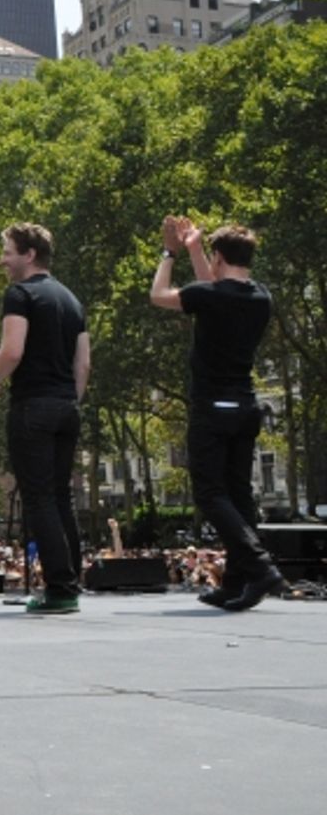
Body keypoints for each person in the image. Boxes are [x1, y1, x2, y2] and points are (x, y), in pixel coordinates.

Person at [150, 217, 281, 611]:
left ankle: (259, 567)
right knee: (240, 495)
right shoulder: (262, 297)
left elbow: (159, 294)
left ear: (219, 257)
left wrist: (170, 251)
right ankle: (237, 583)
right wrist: (195, 247)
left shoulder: (208, 296)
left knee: (209, 492)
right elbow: (216, 286)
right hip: (246, 406)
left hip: (213, 407)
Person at [0, 223, 90, 615]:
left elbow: (11, 350)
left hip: (33, 406)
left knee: (39, 498)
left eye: (7, 251)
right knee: (62, 497)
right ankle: (71, 582)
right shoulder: (72, 300)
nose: (2, 260)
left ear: (29, 255)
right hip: (66, 405)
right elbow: (85, 364)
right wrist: (69, 401)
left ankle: (60, 589)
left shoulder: (20, 294)